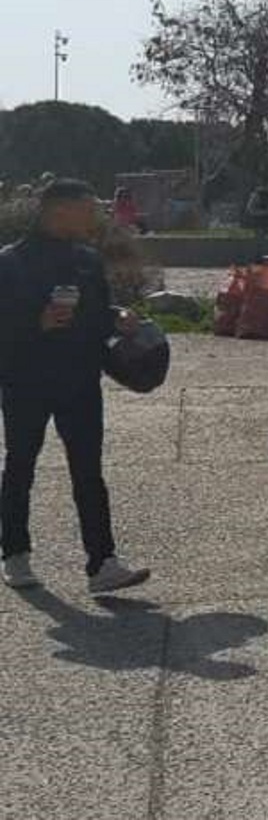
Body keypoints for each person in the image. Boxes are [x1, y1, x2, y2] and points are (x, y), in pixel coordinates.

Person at [0, 180, 152, 594]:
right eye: (88, 209)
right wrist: (36, 323)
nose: (95, 216)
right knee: (20, 465)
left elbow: (97, 313)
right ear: (59, 211)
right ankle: (15, 553)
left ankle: (102, 563)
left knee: (88, 471)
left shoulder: (87, 259)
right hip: (26, 382)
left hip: (80, 380)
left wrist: (118, 317)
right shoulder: (10, 263)